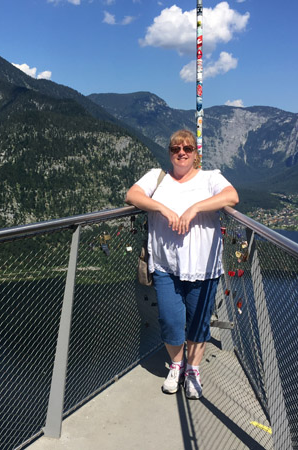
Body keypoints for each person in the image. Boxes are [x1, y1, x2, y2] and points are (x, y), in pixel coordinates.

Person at [125, 129, 239, 399]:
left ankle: (193, 369)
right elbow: (132, 196)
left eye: (187, 148)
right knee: (169, 319)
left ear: (195, 154)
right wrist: (162, 208)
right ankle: (177, 365)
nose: (181, 153)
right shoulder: (157, 177)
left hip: (203, 266)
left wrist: (195, 208)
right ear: (170, 152)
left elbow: (231, 197)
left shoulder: (210, 178)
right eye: (176, 149)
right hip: (166, 266)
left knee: (198, 323)